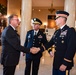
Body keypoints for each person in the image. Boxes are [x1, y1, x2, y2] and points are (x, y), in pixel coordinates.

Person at [38, 10, 76, 75]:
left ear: (62, 19)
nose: (55, 20)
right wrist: (39, 49)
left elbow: (71, 49)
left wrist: (65, 63)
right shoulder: (57, 32)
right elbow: (50, 43)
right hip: (56, 62)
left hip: (64, 64)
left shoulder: (70, 31)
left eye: (56, 18)